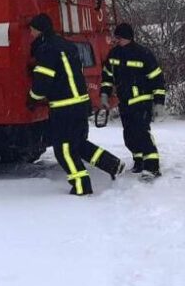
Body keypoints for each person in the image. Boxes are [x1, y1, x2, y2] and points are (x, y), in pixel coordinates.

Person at [26, 13, 124, 196]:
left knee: (63, 150)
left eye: (32, 30)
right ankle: (113, 165)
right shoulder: (67, 45)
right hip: (80, 104)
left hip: (64, 108)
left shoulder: (46, 49)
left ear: (39, 30)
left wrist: (32, 98)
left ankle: (81, 186)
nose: (30, 34)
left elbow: (43, 82)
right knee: (78, 144)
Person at [99, 22, 166, 179]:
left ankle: (152, 167)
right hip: (125, 101)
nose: (116, 40)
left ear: (126, 37)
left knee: (142, 133)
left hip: (142, 101)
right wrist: (104, 94)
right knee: (129, 135)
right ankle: (139, 161)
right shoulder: (114, 54)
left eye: (119, 37)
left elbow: (157, 79)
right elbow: (107, 77)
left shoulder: (143, 54)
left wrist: (159, 102)